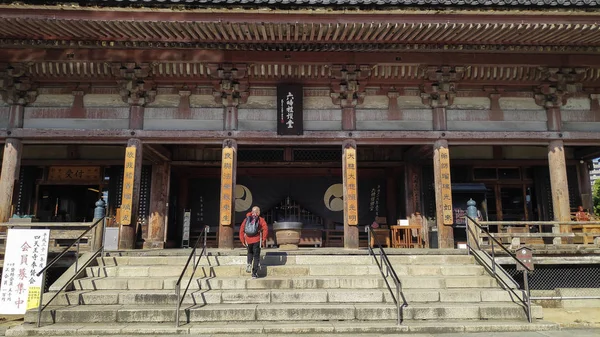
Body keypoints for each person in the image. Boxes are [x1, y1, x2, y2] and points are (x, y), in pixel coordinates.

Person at [239, 206, 268, 279]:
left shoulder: (246, 219)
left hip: (248, 240)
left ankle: (249, 263)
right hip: (257, 240)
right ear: (258, 212)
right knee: (256, 256)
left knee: (249, 253)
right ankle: (254, 273)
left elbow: (241, 230)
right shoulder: (260, 219)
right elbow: (265, 229)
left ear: (252, 212)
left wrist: (242, 240)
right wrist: (264, 239)